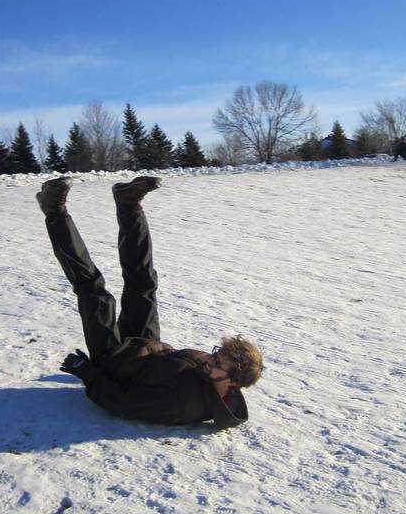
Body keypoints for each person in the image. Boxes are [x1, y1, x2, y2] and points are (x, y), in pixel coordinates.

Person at [37, 175, 263, 429]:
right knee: (143, 281)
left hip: (113, 360)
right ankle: (128, 204)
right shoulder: (214, 373)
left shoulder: (178, 405)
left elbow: (120, 402)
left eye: (218, 363)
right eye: (216, 354)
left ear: (231, 382)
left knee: (95, 292)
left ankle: (54, 212)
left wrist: (88, 372)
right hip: (146, 345)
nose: (210, 360)